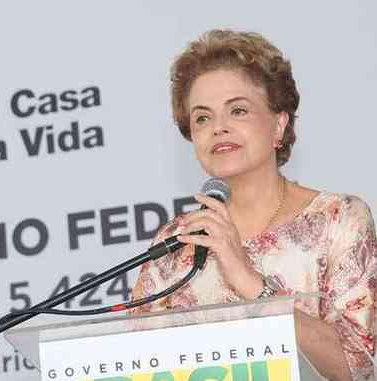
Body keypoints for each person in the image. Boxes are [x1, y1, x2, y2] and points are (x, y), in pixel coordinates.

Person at [130, 29, 377, 381]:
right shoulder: (176, 243)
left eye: (238, 111)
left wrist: (251, 284)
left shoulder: (339, 220)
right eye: (202, 118)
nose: (218, 128)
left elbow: (358, 368)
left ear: (279, 125)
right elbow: (134, 364)